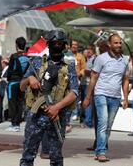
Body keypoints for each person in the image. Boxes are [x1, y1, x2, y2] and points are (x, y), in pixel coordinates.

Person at [19, 29, 79, 166]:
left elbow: (74, 92)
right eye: (54, 43)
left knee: (56, 157)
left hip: (57, 116)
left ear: (64, 46)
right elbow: (22, 86)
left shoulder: (69, 67)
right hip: (35, 115)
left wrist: (56, 108)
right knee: (28, 154)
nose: (56, 46)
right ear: (48, 45)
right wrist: (30, 78)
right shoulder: (37, 63)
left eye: (60, 43)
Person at [83, 34, 129, 162]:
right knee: (103, 122)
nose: (119, 45)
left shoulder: (125, 60)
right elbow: (93, 78)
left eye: (120, 43)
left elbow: (125, 80)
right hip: (101, 94)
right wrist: (88, 97)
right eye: (116, 43)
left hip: (115, 97)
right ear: (109, 44)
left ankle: (99, 149)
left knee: (108, 125)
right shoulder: (101, 59)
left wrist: (125, 98)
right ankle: (102, 151)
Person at [6, 37, 29, 132]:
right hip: (23, 83)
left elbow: (10, 70)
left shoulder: (14, 56)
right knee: (20, 103)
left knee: (12, 103)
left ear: (16, 45)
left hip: (13, 83)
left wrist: (8, 78)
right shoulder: (28, 57)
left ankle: (13, 124)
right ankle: (17, 124)